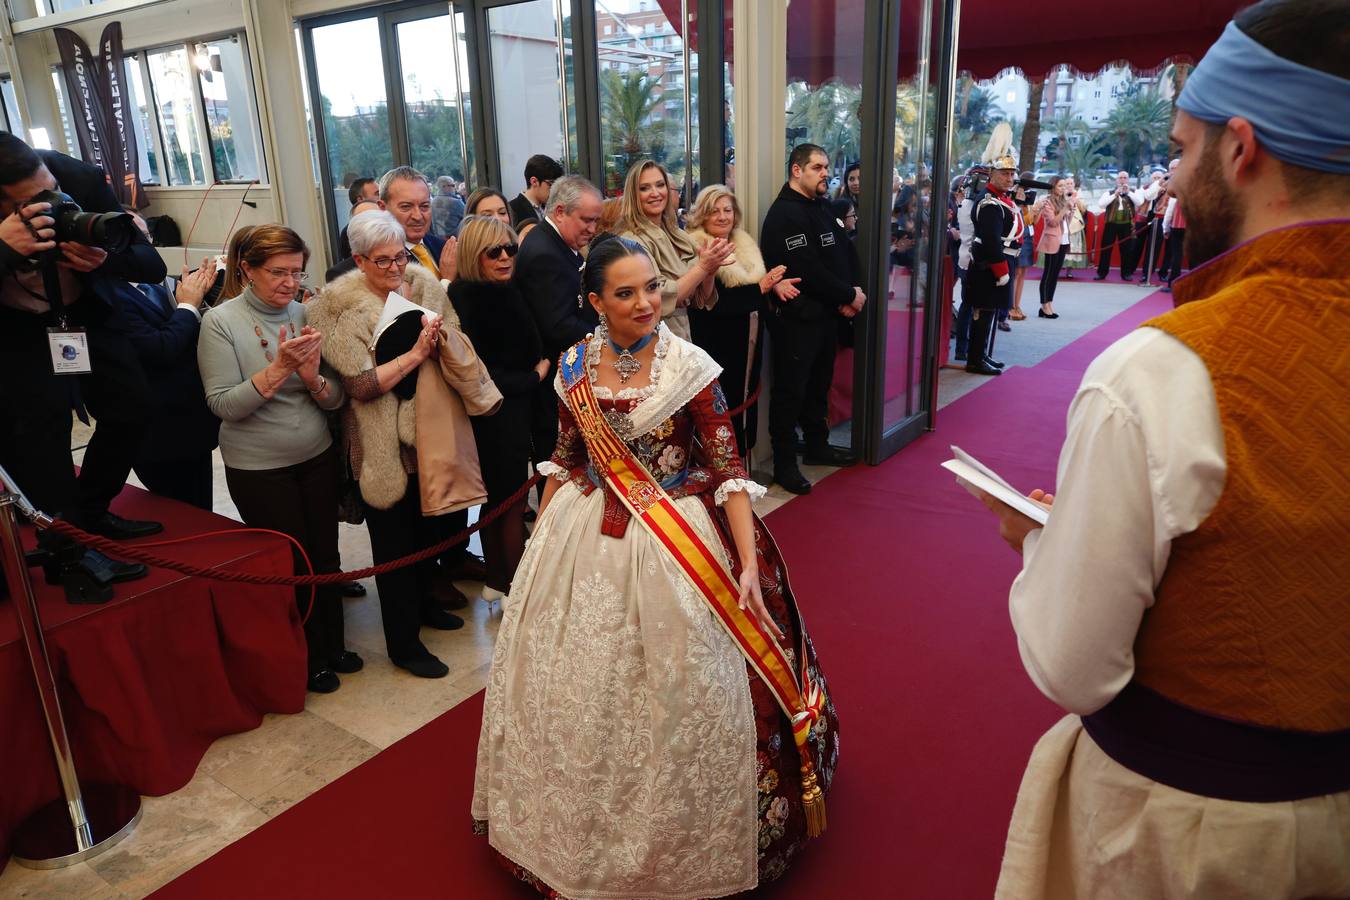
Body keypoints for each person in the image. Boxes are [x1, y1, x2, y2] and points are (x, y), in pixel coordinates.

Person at [981, 2, 1350, 895]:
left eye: (1183, 150)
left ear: (1242, 148)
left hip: (1199, 835)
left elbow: (1074, 665)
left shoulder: (1167, 371)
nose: (1175, 181)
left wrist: (1041, 540)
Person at [472, 236, 840, 900]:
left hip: (681, 540)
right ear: (594, 302)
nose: (646, 303)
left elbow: (729, 472)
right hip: (583, 535)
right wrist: (533, 558)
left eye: (651, 287)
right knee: (580, 694)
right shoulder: (574, 367)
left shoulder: (690, 365)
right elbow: (562, 458)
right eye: (626, 293)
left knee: (687, 694)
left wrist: (749, 568)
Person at [308, 210, 501, 679]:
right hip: (378, 444)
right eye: (382, 261)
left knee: (427, 536)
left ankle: (423, 609)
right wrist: (414, 352)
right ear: (358, 259)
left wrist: (438, 335)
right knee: (393, 545)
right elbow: (359, 386)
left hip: (429, 431)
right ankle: (402, 642)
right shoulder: (336, 306)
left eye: (400, 257)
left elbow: (459, 338)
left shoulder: (424, 282)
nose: (396, 268)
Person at [0, 133, 168, 593]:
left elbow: (149, 264)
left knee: (132, 408)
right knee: (41, 435)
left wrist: (104, 259)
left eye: (48, 185)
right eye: (31, 201)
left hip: (86, 315)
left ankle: (92, 513)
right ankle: (68, 554)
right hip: (17, 331)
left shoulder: (79, 178)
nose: (51, 200)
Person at [196, 225, 353, 694]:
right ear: (246, 269)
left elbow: (335, 400)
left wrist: (311, 379)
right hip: (259, 467)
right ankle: (306, 656)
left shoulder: (306, 313)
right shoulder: (220, 322)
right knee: (291, 562)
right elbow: (223, 405)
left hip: (316, 454)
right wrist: (280, 369)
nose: (289, 283)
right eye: (278, 272)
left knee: (325, 555)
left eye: (296, 272)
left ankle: (334, 643)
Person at [447, 215, 548, 605]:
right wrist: (535, 377)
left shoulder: (497, 289)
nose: (506, 257)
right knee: (506, 500)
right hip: (499, 412)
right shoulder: (477, 297)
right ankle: (510, 584)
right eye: (495, 251)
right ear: (476, 255)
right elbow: (484, 371)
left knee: (501, 499)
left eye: (511, 249)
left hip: (509, 411)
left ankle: (500, 579)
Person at [760, 143, 865, 493]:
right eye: (818, 167)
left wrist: (853, 291)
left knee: (819, 386)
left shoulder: (820, 206)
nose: (826, 173)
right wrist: (848, 296)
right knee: (791, 392)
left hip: (827, 317)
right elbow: (808, 270)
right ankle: (785, 464)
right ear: (796, 170)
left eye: (826, 167)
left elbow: (843, 252)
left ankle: (817, 446)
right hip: (797, 322)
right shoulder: (784, 214)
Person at [686, 185, 799, 456]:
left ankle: (740, 469)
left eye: (727, 210)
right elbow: (712, 305)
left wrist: (772, 286)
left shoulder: (743, 243)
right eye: (714, 211)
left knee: (744, 401)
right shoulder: (696, 248)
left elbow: (753, 292)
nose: (723, 217)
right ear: (702, 216)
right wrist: (761, 287)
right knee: (720, 409)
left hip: (748, 340)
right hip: (715, 344)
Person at [513, 174, 604, 496]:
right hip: (553, 381)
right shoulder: (544, 252)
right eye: (587, 220)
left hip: (566, 374)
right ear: (561, 211)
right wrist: (608, 337)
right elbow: (558, 326)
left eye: (596, 220)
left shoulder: (558, 244)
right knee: (559, 469)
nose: (592, 229)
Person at [109, 256, 221, 510]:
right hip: (159, 430)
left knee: (202, 508)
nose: (143, 245)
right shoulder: (111, 296)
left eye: (146, 235)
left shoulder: (159, 284)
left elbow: (191, 330)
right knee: (179, 510)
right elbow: (160, 349)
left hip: (194, 423)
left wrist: (198, 300)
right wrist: (189, 306)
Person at [614, 159, 733, 342]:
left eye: (660, 185)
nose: (655, 193)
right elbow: (657, 295)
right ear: (633, 195)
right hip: (653, 340)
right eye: (645, 188)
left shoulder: (678, 234)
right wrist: (702, 268)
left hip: (683, 336)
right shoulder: (630, 240)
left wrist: (709, 271)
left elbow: (701, 299)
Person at [964, 155, 1022, 376]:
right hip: (989, 264)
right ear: (992, 175)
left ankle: (981, 354)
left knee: (989, 312)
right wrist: (1001, 270)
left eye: (1011, 174)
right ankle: (975, 359)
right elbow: (990, 240)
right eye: (1004, 174)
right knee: (982, 312)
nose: (1009, 178)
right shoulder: (989, 202)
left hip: (999, 260)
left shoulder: (1000, 198)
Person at [1092, 170, 1161, 280]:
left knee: (1126, 250)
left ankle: (1126, 274)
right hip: (1111, 224)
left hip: (1126, 225)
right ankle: (1102, 273)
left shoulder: (1134, 192)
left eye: (1124, 178)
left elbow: (1139, 202)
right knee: (1106, 249)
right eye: (1120, 178)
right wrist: (1115, 194)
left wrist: (1129, 192)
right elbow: (1101, 205)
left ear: (1128, 180)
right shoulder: (1109, 193)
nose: (1122, 180)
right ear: (1117, 180)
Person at [1034, 177, 1074, 318]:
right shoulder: (1048, 202)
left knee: (1055, 275)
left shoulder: (1063, 200)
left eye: (1064, 186)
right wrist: (1064, 209)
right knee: (1048, 274)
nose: (1063, 188)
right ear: (1053, 187)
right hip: (1051, 240)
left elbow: (1066, 221)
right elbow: (1052, 222)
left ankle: (1049, 303)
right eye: (1060, 186)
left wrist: (1071, 209)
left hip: (1063, 240)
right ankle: (1044, 305)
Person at [508, 154, 563, 227]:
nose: (555, 191)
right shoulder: (512, 210)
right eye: (551, 184)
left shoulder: (551, 208)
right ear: (534, 182)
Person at [335, 198, 381, 268]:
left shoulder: (400, 257)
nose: (372, 227)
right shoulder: (342, 274)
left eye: (376, 220)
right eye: (363, 222)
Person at [1061, 176, 1089, 278]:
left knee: (1073, 249)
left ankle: (1069, 270)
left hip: (1075, 224)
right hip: (1062, 223)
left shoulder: (1078, 195)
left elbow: (1083, 209)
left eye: (1071, 184)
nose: (1069, 186)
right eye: (1067, 184)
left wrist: (1075, 198)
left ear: (1074, 185)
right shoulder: (1060, 194)